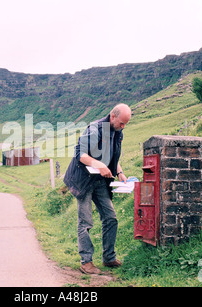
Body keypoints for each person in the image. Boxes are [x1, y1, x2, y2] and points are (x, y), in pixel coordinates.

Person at [63, 103, 132, 274]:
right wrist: (99, 164)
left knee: (111, 218)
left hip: (100, 181)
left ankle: (109, 258)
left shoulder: (118, 132)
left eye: (125, 124)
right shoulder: (94, 129)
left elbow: (112, 156)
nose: (123, 127)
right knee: (85, 221)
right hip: (83, 179)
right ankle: (86, 262)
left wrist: (120, 172)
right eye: (121, 123)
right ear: (112, 116)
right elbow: (81, 154)